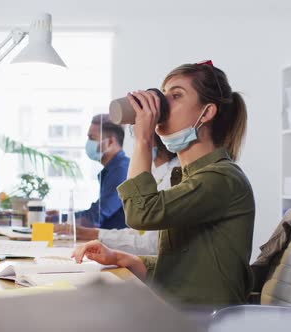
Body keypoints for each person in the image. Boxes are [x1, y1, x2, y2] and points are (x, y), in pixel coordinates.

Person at [72, 61, 255, 306]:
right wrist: (122, 258)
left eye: (176, 95)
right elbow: (185, 265)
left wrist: (143, 140)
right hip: (178, 310)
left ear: (207, 112)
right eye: (163, 95)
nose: (162, 105)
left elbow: (140, 214)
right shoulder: (190, 177)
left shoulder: (221, 178)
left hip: (201, 320)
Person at [60, 135, 179, 255]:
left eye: (92, 137)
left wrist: (87, 233)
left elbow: (150, 242)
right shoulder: (157, 172)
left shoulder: (173, 176)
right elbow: (138, 232)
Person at [48, 114, 129, 230]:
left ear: (110, 142)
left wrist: (53, 220)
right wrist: (60, 217)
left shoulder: (121, 170)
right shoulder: (113, 169)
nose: (88, 143)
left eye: (92, 138)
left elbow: (95, 217)